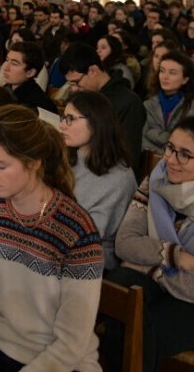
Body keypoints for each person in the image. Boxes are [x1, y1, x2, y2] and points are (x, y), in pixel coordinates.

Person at [0, 105, 103, 372]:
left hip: (61, 363)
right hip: (2, 351)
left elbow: (71, 343)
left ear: (34, 162)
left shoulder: (76, 230)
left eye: (0, 165)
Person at [109, 115, 194, 366]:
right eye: (170, 148)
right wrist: (175, 256)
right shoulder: (155, 182)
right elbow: (125, 243)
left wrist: (150, 269)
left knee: (138, 329)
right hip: (169, 283)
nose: (171, 160)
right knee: (119, 289)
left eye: (184, 154)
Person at [59, 91, 136, 269]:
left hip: (90, 261)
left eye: (71, 118)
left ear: (95, 123)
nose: (62, 125)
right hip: (57, 245)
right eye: (63, 117)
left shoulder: (119, 177)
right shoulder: (67, 159)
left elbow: (90, 235)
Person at [60, 42, 146, 173]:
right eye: (71, 84)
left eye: (76, 82)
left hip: (105, 173)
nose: (74, 89)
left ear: (93, 71)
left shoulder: (128, 103)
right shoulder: (82, 97)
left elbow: (129, 157)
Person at [142, 50, 194, 154]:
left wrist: (152, 133)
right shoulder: (148, 105)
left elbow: (184, 142)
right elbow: (143, 140)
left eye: (172, 73)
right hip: (150, 161)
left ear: (185, 79)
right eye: (162, 71)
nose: (165, 77)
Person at [0, 41, 53, 114]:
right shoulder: (3, 91)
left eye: (14, 64)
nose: (6, 68)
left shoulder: (39, 105)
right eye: (7, 60)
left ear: (30, 72)